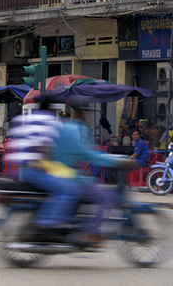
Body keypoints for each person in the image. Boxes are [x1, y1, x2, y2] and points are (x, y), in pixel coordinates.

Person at [56, 99, 136, 245]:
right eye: (85, 114)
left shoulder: (77, 129)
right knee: (106, 197)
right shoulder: (71, 130)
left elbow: (94, 151)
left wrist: (115, 158)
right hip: (68, 176)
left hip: (71, 174)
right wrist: (114, 161)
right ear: (80, 114)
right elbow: (86, 153)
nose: (87, 117)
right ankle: (91, 232)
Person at [7, 97, 80, 239]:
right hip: (35, 169)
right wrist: (42, 161)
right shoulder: (49, 121)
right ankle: (47, 223)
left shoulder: (24, 119)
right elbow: (43, 145)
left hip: (20, 170)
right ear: (50, 109)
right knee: (67, 191)